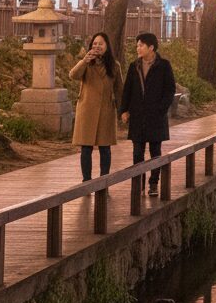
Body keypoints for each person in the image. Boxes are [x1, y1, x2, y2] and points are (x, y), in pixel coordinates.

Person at [120, 32, 176, 197]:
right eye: (137, 45)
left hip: (156, 116)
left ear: (151, 47)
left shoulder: (164, 65)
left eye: (141, 45)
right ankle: (138, 183)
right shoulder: (134, 66)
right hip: (138, 116)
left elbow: (170, 89)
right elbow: (127, 90)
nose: (138, 48)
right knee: (137, 151)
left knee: (155, 151)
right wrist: (124, 110)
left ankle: (153, 183)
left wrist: (161, 108)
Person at [70, 32, 124, 183]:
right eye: (94, 44)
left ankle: (104, 181)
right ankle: (86, 181)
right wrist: (84, 61)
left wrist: (123, 111)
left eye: (100, 44)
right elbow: (73, 75)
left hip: (106, 110)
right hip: (87, 110)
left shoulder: (114, 65)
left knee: (105, 149)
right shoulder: (87, 63)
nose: (97, 46)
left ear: (107, 46)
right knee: (86, 148)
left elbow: (119, 90)